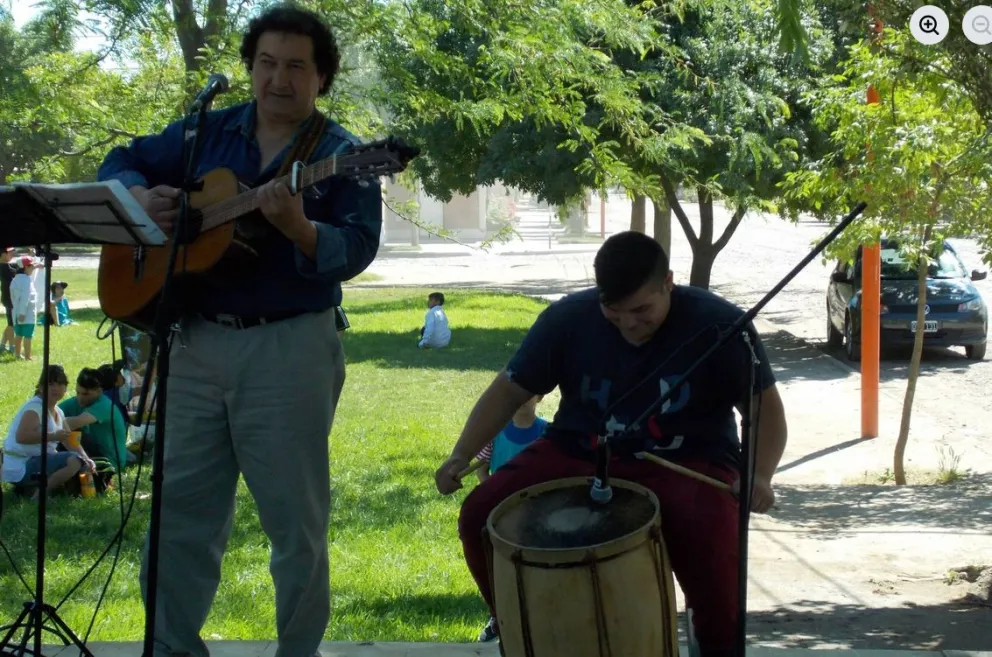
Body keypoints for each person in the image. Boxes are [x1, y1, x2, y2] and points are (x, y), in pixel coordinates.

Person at [95, 5, 382, 656]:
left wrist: (300, 228)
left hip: (289, 346)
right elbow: (123, 159)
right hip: (196, 341)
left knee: (295, 522)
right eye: (267, 64)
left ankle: (297, 651)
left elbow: (359, 247)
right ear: (250, 69)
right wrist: (138, 196)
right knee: (179, 513)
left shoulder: (343, 155)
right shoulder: (206, 133)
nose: (279, 80)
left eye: (296, 68)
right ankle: (169, 645)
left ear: (322, 79)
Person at [434, 231, 788, 657]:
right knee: (479, 515)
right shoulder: (568, 319)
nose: (628, 324)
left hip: (689, 458)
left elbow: (763, 410)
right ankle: (520, 623)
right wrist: (461, 452)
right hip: (578, 448)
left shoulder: (719, 324)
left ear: (668, 283)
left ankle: (713, 644)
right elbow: (510, 390)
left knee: (715, 563)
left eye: (642, 310)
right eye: (613, 312)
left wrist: (761, 474)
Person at [473, 393, 548, 642]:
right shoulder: (495, 434)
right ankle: (499, 618)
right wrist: (492, 494)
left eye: (530, 394)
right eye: (518, 393)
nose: (523, 399)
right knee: (501, 566)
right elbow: (481, 468)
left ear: (540, 397)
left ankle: (540, 619)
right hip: (502, 514)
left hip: (537, 514)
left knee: (536, 566)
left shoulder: (547, 433)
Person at [1, 364, 96, 499]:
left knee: (80, 461)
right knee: (73, 461)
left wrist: (86, 458)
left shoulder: (58, 411)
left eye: (60, 384)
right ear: (41, 388)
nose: (56, 388)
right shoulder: (35, 407)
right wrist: (52, 436)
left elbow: (69, 439)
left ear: (65, 388)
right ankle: (39, 495)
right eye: (51, 384)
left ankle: (31, 488)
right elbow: (21, 437)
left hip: (37, 461)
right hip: (22, 464)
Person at [60, 367, 130, 473]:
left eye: (85, 394)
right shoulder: (76, 402)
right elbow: (48, 412)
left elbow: (75, 422)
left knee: (64, 434)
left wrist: (50, 421)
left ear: (99, 391)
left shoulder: (104, 405)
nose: (80, 398)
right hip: (92, 450)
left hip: (110, 461)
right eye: (77, 392)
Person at [9, 256, 39, 361]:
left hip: (16, 313)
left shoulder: (15, 279)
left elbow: (13, 297)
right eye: (32, 266)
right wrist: (22, 313)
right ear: (26, 267)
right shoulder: (26, 280)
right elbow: (25, 297)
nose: (33, 268)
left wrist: (18, 313)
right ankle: (27, 356)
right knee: (28, 335)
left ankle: (17, 354)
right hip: (27, 314)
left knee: (18, 334)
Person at [1, 247, 16, 354]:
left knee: (11, 323)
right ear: (3, 254)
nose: (12, 254)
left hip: (8, 298)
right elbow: (15, 271)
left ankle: (2, 345)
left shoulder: (5, 266)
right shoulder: (3, 267)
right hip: (9, 299)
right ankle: (12, 347)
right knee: (12, 324)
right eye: (10, 253)